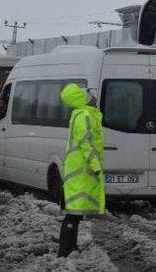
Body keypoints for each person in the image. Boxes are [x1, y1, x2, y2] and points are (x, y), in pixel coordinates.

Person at [57, 84, 105, 257]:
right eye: (90, 95)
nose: (94, 98)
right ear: (82, 98)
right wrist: (96, 166)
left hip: (78, 170)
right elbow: (86, 143)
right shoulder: (85, 115)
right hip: (81, 171)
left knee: (75, 213)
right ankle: (65, 251)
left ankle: (70, 247)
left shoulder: (82, 114)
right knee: (74, 213)